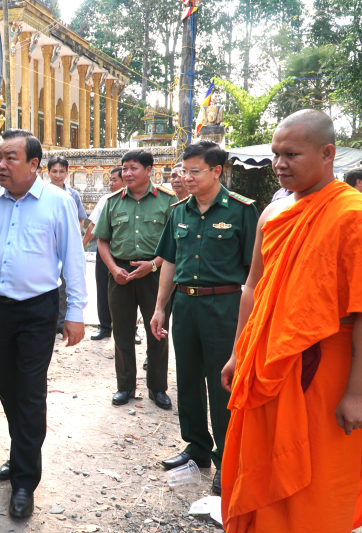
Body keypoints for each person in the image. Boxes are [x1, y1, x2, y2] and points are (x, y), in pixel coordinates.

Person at [219, 109, 362, 532]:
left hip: (328, 363)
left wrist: (356, 392)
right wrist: (236, 354)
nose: (280, 164)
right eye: (277, 153)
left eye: (292, 154)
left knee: (316, 473)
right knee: (261, 458)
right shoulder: (273, 214)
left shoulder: (351, 214)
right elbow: (252, 288)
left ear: (327, 154)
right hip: (268, 361)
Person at [0, 129, 87, 519]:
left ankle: (25, 481)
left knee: (29, 392)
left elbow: (74, 260)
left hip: (37, 310)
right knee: (9, 388)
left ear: (34, 165)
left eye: (10, 158)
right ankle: (20, 455)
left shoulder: (58, 202)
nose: (0, 165)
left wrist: (76, 313)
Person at [149, 140, 258, 495]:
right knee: (189, 378)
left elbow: (254, 275)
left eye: (194, 171)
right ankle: (196, 447)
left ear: (216, 171)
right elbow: (168, 261)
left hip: (224, 308)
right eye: (184, 171)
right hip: (187, 306)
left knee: (222, 383)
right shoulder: (179, 211)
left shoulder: (242, 211)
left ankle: (228, 458)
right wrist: (160, 307)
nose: (186, 177)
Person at [94, 150, 178, 409]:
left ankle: (157, 388)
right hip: (120, 274)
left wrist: (153, 264)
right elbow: (102, 241)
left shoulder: (169, 201)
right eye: (124, 168)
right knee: (121, 331)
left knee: (157, 333)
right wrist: (113, 269)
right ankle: (125, 386)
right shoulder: (112, 201)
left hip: (156, 273)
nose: (127, 173)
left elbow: (176, 242)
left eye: (133, 168)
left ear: (149, 170)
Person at [83, 167, 124, 341]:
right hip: (104, 250)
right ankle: (105, 326)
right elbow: (92, 225)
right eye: (110, 180)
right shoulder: (105, 200)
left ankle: (130, 327)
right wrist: (82, 245)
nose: (111, 183)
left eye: (114, 180)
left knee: (129, 291)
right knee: (102, 288)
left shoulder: (138, 201)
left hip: (125, 253)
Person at [48, 155, 88, 334]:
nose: (58, 175)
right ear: (47, 172)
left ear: (67, 173)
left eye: (61, 171)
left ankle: (62, 321)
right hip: (49, 246)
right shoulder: (43, 194)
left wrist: (75, 239)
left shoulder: (73, 195)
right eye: (54, 171)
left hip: (67, 245)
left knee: (66, 283)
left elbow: (80, 219)